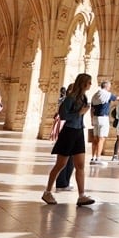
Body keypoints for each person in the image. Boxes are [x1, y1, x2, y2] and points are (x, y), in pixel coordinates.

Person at [43, 73, 95, 206]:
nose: (90, 85)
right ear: (83, 83)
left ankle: (81, 196)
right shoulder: (70, 98)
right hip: (69, 132)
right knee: (60, 164)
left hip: (78, 131)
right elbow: (63, 115)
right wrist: (79, 113)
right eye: (89, 82)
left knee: (80, 165)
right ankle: (47, 192)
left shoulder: (84, 97)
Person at [89, 80, 116, 164]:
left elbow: (92, 109)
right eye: (109, 86)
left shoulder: (95, 95)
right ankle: (98, 158)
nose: (110, 88)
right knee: (101, 138)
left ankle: (93, 157)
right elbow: (117, 98)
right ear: (107, 86)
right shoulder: (107, 94)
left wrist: (91, 119)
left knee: (95, 138)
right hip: (103, 118)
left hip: (95, 118)